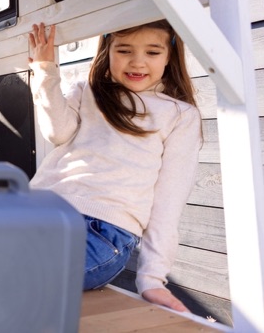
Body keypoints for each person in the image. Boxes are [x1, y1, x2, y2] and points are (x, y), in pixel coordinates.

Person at [27, 20, 201, 313]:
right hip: (38, 212)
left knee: (11, 278)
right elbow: (56, 131)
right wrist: (45, 70)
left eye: (153, 52)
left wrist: (151, 279)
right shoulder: (87, 91)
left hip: (102, 233)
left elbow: (168, 202)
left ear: (170, 55)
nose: (137, 61)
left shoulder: (179, 115)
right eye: (124, 49)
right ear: (107, 49)